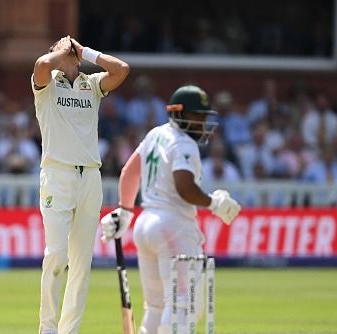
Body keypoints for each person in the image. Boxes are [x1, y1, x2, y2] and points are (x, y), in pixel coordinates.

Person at [100, 85, 241, 334]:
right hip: (173, 227)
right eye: (198, 116)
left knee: (156, 306)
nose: (203, 123)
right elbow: (184, 186)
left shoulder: (155, 134)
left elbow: (130, 172)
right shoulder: (184, 144)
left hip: (145, 226)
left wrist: (125, 210)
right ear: (180, 114)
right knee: (183, 305)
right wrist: (214, 203)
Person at [31, 35, 129, 334]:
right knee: (57, 255)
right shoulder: (47, 83)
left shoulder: (92, 84)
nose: (69, 50)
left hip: (90, 176)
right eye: (63, 50)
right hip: (57, 175)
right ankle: (47, 328)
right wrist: (61, 52)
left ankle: (68, 330)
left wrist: (86, 51)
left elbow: (122, 69)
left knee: (81, 264)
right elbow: (40, 64)